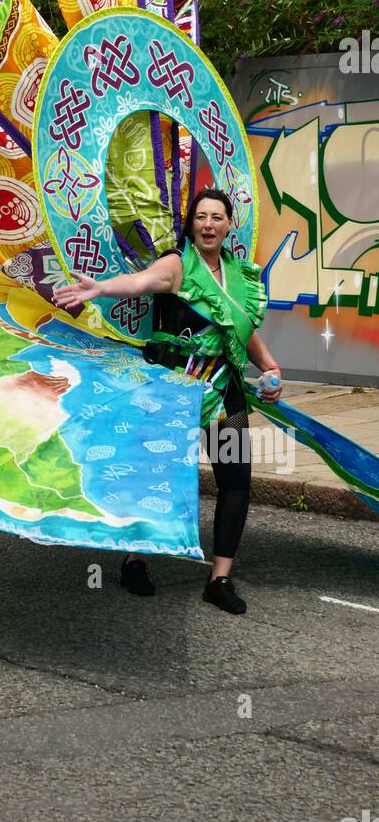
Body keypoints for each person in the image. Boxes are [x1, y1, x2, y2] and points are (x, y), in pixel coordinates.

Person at [53, 188, 282, 616]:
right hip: (171, 389)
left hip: (222, 390)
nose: (209, 224)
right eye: (201, 217)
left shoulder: (239, 275)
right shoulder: (177, 265)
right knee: (156, 474)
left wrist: (270, 366)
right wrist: (100, 288)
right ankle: (136, 560)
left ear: (229, 224)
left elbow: (241, 330)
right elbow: (140, 283)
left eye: (217, 217)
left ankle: (220, 578)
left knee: (235, 480)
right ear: (191, 224)